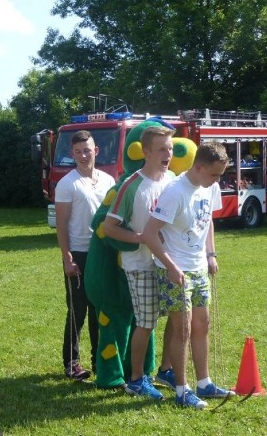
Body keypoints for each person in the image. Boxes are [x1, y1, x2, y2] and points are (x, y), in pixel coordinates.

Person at [141, 142, 233, 409]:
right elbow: (149, 233)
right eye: (214, 175)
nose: (218, 181)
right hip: (175, 271)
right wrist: (170, 266)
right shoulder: (175, 193)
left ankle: (204, 383)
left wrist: (211, 255)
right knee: (182, 329)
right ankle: (182, 390)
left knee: (202, 325)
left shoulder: (209, 187)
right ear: (199, 166)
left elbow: (208, 221)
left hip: (199, 268)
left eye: (220, 175)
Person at [102, 126, 178, 400]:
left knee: (176, 316)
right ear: (146, 152)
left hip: (169, 262)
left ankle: (166, 370)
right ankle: (136, 379)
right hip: (141, 265)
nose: (167, 154)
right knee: (146, 323)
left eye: (170, 148)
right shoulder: (132, 185)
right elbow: (109, 227)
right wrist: (141, 238)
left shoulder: (173, 180)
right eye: (161, 149)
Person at [54, 130, 114, 380]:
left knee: (100, 308)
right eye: (77, 151)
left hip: (102, 253)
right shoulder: (67, 184)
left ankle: (99, 360)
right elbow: (61, 224)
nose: (82, 155)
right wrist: (67, 258)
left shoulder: (109, 180)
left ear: (96, 151)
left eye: (86, 150)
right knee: (78, 310)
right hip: (78, 254)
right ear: (72, 154)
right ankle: (72, 363)